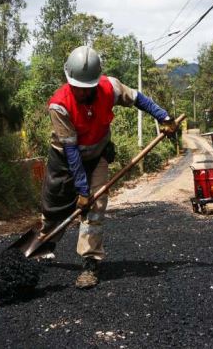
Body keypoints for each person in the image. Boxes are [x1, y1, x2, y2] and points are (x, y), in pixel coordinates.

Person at [41, 45, 177, 288]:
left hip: (97, 154)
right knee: (54, 206)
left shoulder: (109, 87)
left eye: (86, 88)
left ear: (95, 82)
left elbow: (138, 98)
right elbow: (71, 151)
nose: (81, 92)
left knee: (96, 203)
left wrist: (163, 117)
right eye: (77, 87)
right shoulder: (59, 105)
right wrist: (81, 190)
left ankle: (90, 262)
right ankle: (44, 245)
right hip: (65, 158)